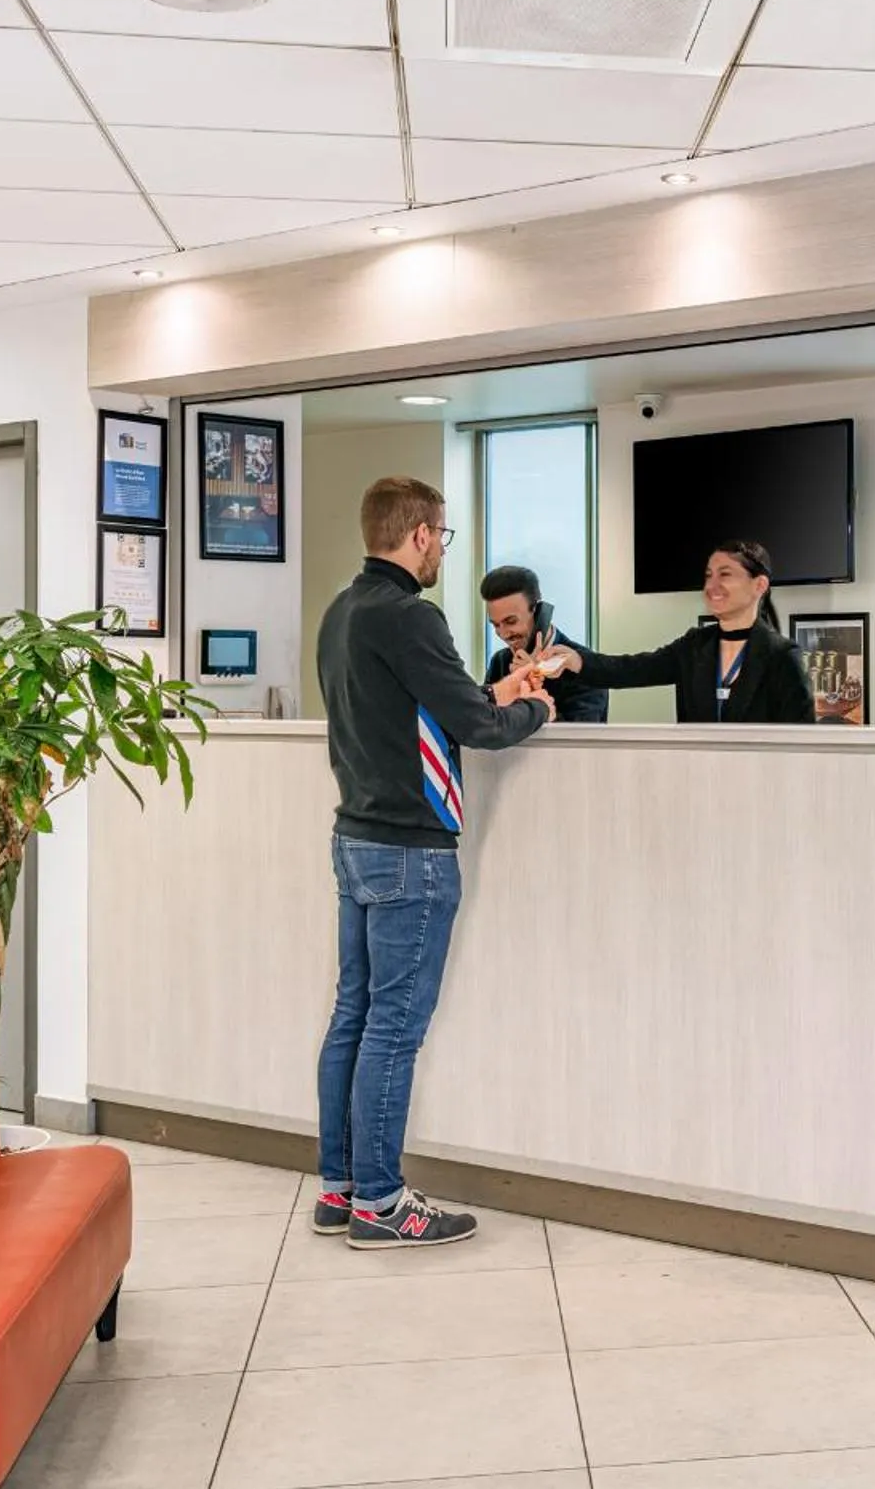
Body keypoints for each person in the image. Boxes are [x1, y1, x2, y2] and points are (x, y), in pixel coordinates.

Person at [313, 476, 553, 1249]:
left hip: (355, 838)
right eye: (442, 537)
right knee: (392, 1029)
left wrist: (493, 693)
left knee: (353, 1017)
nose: (441, 551)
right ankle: (382, 1206)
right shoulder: (411, 615)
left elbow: (415, 710)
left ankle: (341, 1189)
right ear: (419, 535)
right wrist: (535, 708)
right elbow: (478, 730)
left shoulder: (345, 610)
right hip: (410, 849)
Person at [552, 540, 812, 724]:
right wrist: (577, 660)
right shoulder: (694, 647)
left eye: (725, 574)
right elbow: (632, 669)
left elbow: (801, 745)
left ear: (759, 585)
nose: (712, 585)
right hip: (697, 784)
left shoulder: (782, 657)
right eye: (708, 575)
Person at [480, 565, 606, 723]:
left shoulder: (584, 666)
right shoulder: (500, 661)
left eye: (511, 622)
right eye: (496, 625)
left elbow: (579, 739)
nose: (503, 634)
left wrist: (534, 691)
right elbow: (487, 722)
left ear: (539, 612)